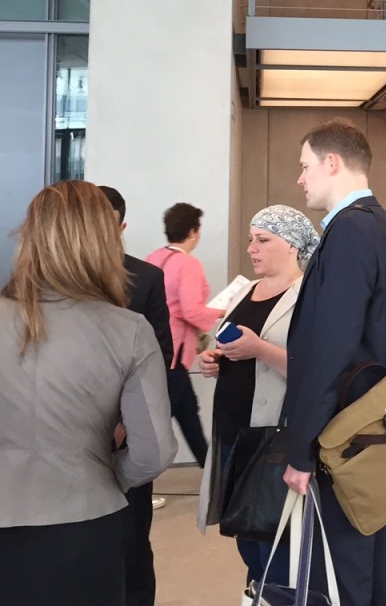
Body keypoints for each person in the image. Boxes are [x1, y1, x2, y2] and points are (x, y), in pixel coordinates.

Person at [0, 181, 177, 606]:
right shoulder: (128, 330)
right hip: (86, 519)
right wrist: (105, 473)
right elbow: (154, 451)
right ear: (106, 239)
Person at [283, 119, 386, 606]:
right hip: (379, 422)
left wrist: (301, 451)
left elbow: (331, 349)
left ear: (331, 163)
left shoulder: (348, 232)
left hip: (346, 432)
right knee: (381, 562)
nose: (301, 179)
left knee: (345, 570)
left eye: (305, 166)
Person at [196, 204, 319, 594]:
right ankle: (261, 594)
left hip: (273, 438)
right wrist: (216, 358)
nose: (252, 248)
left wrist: (260, 350)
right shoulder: (243, 290)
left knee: (272, 538)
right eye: (251, 239)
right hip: (234, 431)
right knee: (245, 535)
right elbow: (226, 341)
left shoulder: (309, 296)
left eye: (263, 240)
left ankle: (275, 595)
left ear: (292, 246)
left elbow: (317, 372)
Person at [99, 185, 173, 606]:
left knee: (131, 546)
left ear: (120, 225)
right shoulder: (43, 280)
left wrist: (128, 422)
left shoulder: (146, 277)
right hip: (68, 440)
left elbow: (160, 353)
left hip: (126, 436)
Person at [146, 202, 222, 465]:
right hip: (174, 353)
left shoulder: (153, 258)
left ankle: (211, 468)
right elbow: (192, 311)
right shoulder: (187, 264)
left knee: (186, 412)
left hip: (152, 348)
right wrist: (225, 312)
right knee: (173, 416)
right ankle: (212, 470)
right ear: (193, 232)